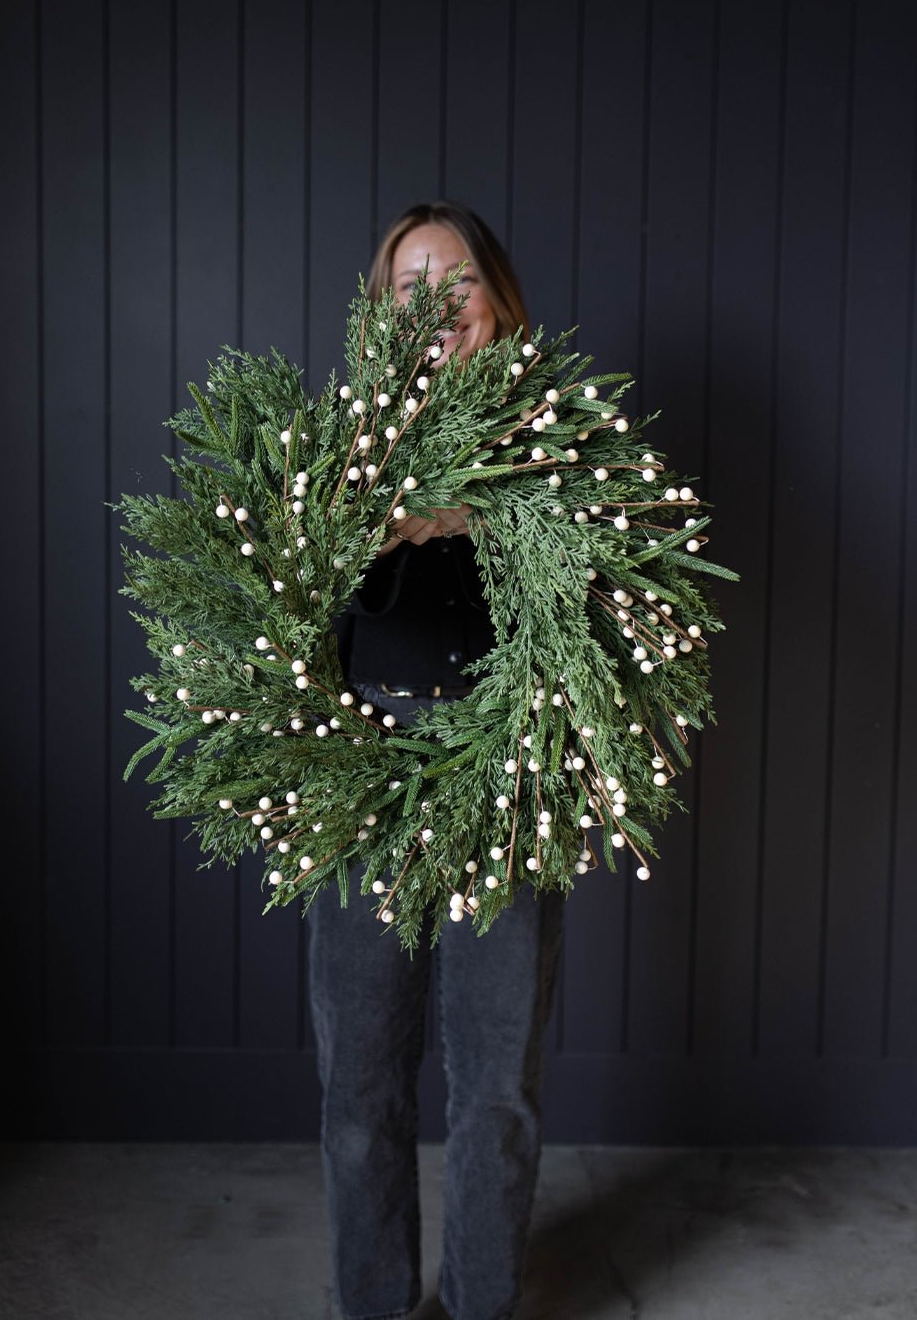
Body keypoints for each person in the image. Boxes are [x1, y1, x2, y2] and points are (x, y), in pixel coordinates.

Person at [307, 201, 566, 1320]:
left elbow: (585, 604)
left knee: (494, 1088)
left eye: (453, 281)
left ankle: (478, 1304)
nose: (434, 307)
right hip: (361, 775)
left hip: (501, 780)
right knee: (361, 1084)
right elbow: (282, 599)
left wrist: (475, 511)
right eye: (407, 285)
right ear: (378, 312)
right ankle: (371, 1302)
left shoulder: (557, 440)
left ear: (494, 298)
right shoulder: (335, 447)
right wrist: (378, 515)